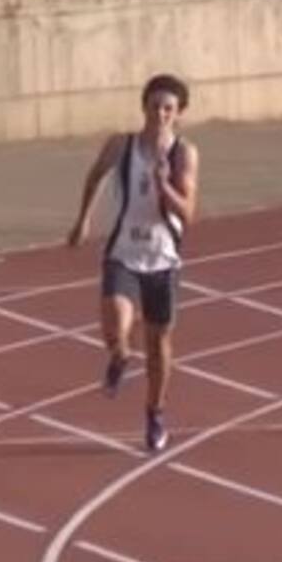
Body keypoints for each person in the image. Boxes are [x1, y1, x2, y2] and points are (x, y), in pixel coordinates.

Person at [67, 73, 199, 453]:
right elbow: (94, 176)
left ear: (178, 115)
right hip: (124, 252)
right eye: (155, 106)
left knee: (159, 345)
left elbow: (188, 211)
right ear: (144, 108)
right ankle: (120, 354)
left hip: (163, 258)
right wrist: (83, 220)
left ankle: (154, 413)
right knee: (115, 322)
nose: (160, 114)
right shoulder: (121, 146)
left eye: (168, 109)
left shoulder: (183, 154)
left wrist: (164, 186)